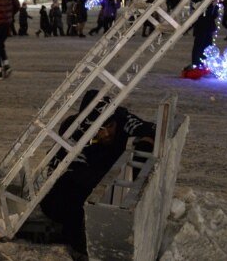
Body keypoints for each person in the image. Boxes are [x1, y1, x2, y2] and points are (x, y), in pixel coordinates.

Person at [40, 89, 155, 258]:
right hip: (63, 194)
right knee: (78, 197)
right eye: (100, 129)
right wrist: (122, 181)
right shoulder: (74, 133)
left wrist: (144, 145)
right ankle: (76, 246)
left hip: (98, 178)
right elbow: (83, 177)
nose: (107, 133)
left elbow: (149, 129)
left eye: (110, 126)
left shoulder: (120, 117)